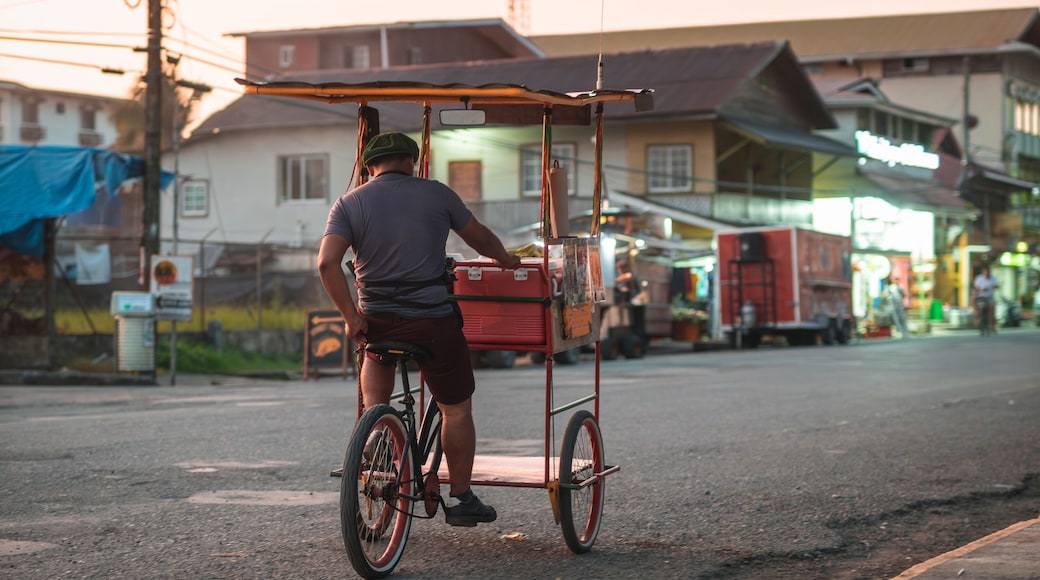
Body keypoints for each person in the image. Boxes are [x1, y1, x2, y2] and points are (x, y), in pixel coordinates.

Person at [317, 131, 520, 527]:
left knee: (374, 399)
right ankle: (461, 497)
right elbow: (479, 238)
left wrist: (350, 317)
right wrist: (506, 259)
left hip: (377, 323)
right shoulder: (437, 194)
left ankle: (377, 437)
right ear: (412, 161)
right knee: (456, 408)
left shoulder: (348, 203)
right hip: (432, 323)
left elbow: (327, 264)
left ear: (369, 167)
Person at [972, 264, 1000, 336]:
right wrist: (981, 289)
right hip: (981, 297)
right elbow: (975, 288)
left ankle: (992, 326)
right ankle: (977, 318)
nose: (986, 274)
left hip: (989, 297)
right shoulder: (979, 278)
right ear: (983, 272)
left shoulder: (993, 279)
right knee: (976, 306)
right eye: (985, 272)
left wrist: (995, 286)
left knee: (992, 308)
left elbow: (997, 286)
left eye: (988, 272)